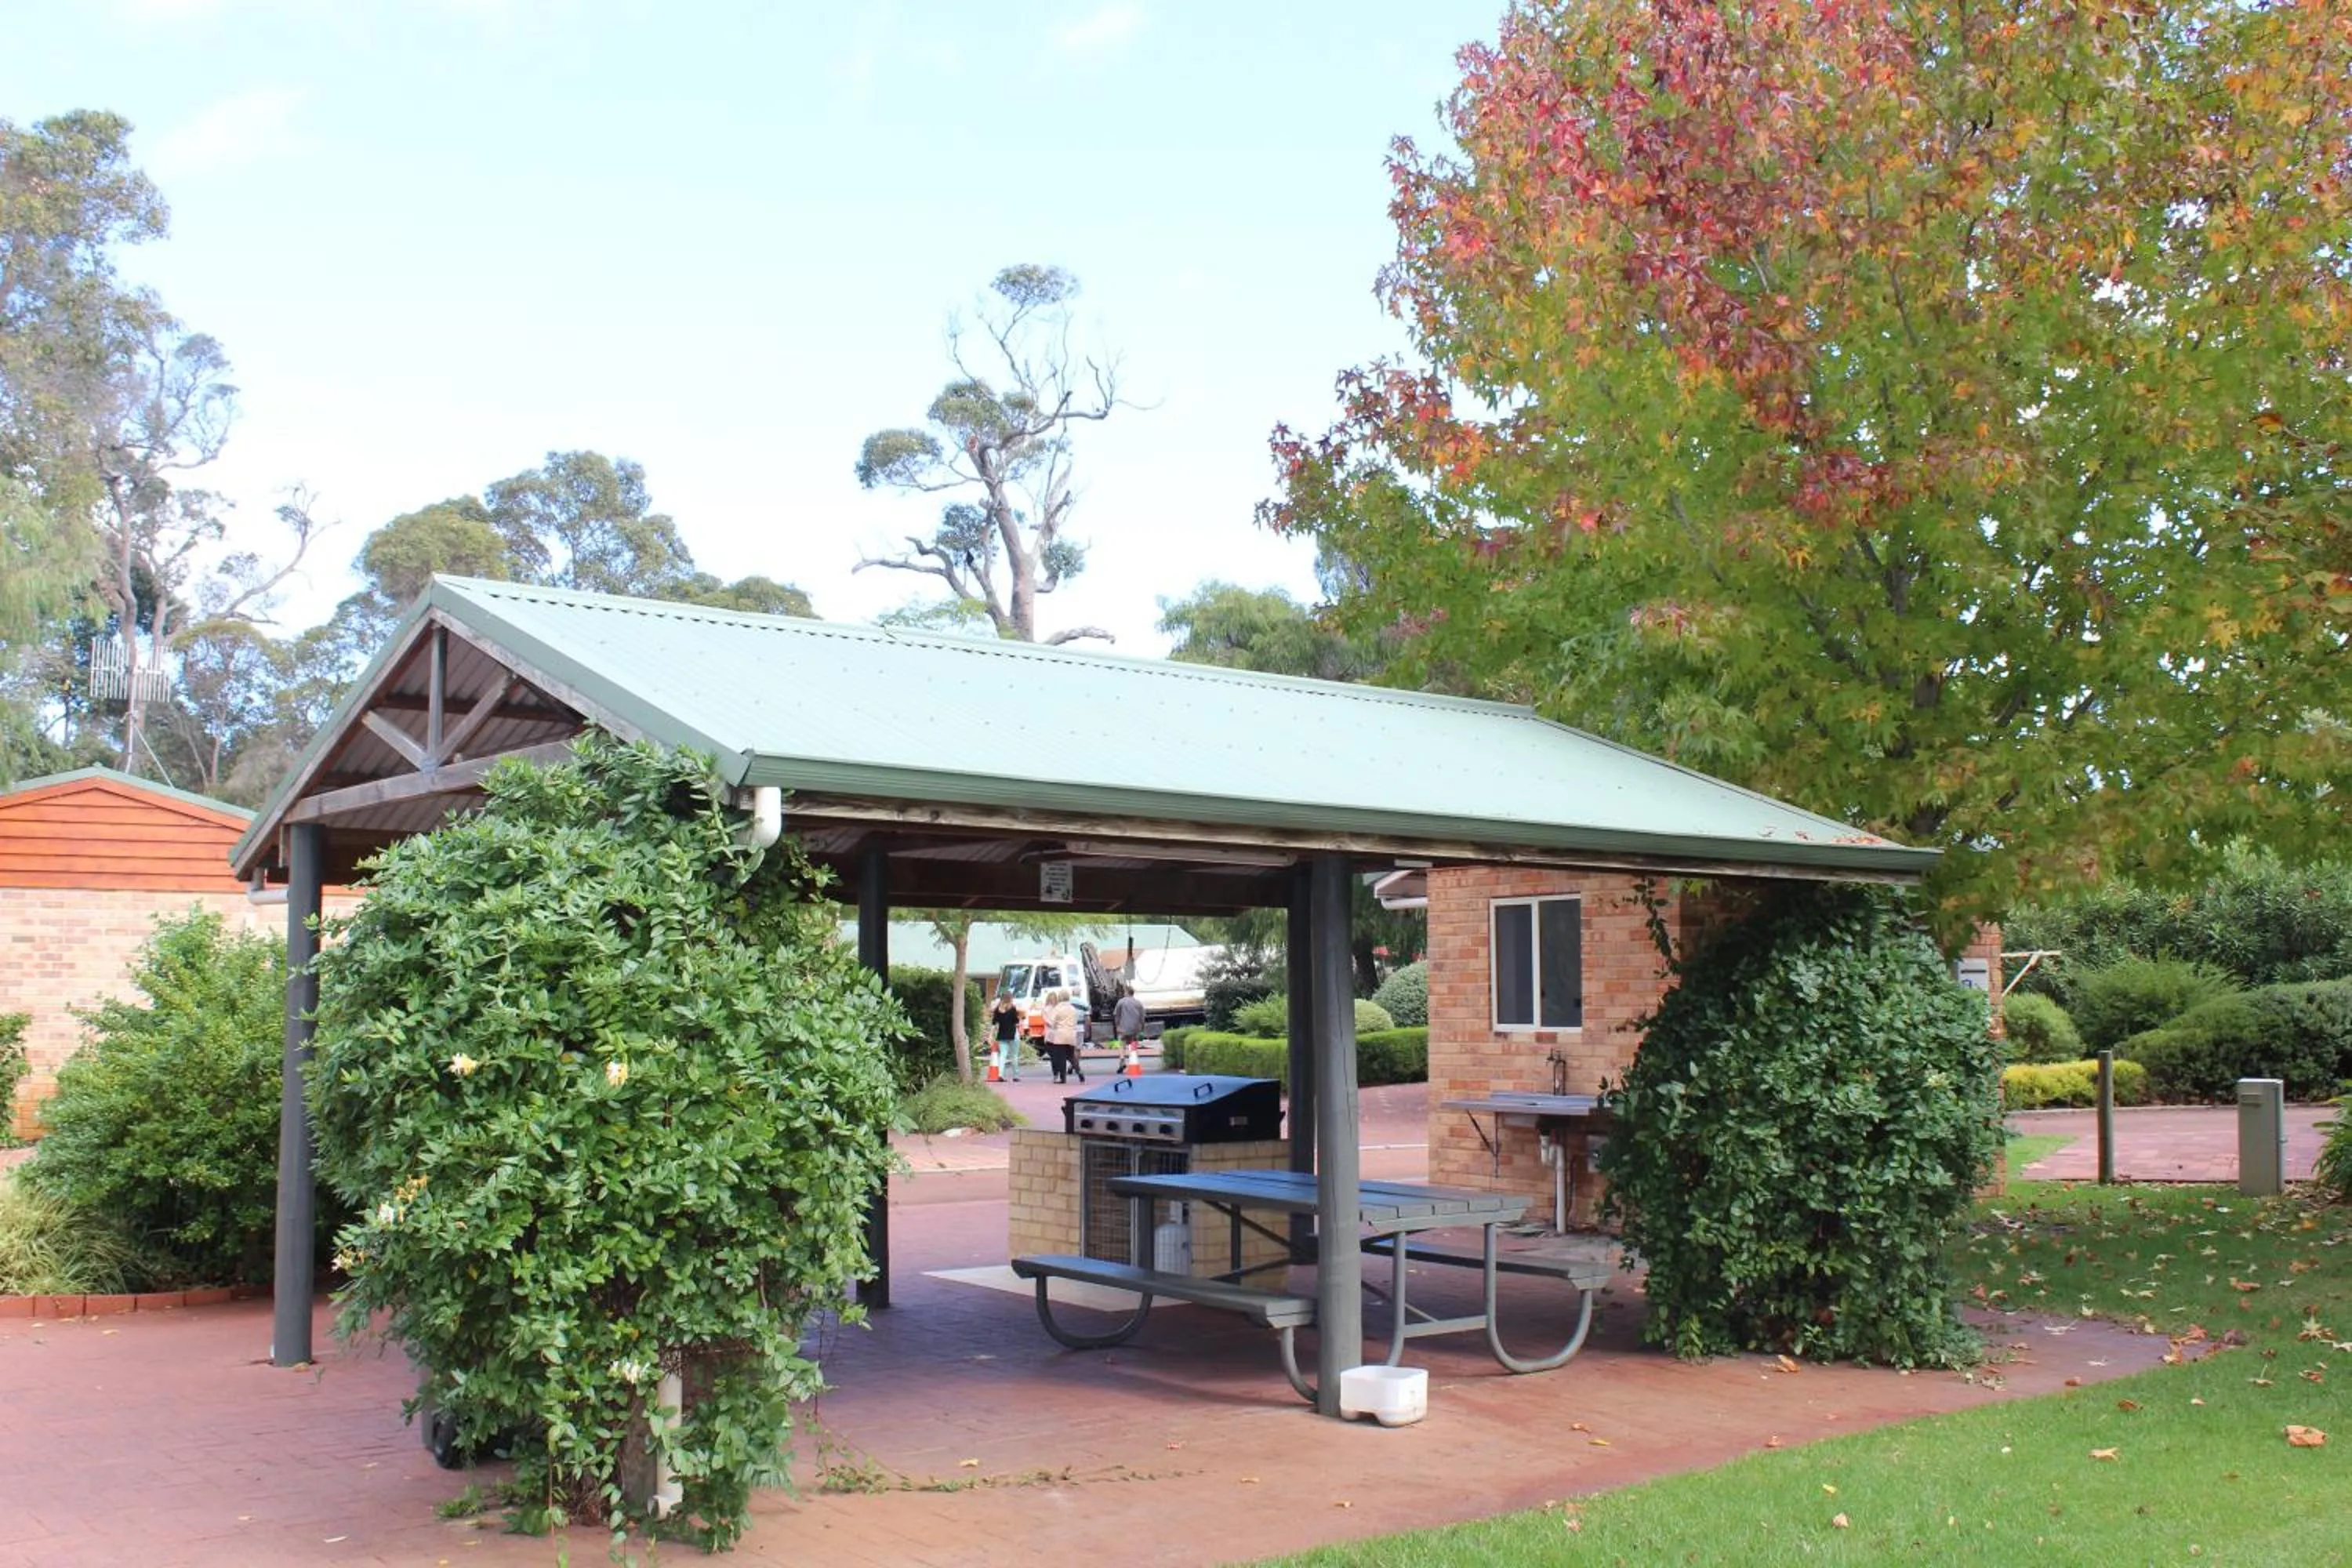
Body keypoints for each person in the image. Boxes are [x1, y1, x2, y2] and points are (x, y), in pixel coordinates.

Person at [1042, 989, 1085, 1084]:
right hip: (1071, 1034)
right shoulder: (1073, 1009)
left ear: (1060, 998)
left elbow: (1052, 1023)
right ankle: (1079, 1071)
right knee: (1071, 1056)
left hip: (1060, 1035)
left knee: (1060, 1058)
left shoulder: (1058, 1009)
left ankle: (1063, 1078)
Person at [989, 989, 1023, 1081]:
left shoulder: (997, 1010)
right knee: (1014, 1055)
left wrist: (990, 1035)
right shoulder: (1012, 1008)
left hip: (1002, 1034)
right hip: (1013, 1034)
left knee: (1003, 1055)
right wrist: (1020, 1020)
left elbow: (994, 1023)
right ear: (1011, 998)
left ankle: (1000, 1075)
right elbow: (1016, 1022)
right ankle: (1016, 1076)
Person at [1112, 989, 1147, 1059]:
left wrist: (1117, 1026)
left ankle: (1122, 1057)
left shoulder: (1121, 1002)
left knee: (1122, 1042)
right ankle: (1133, 1058)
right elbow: (1142, 1017)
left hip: (1123, 1028)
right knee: (1133, 1042)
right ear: (1133, 993)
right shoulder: (1138, 1003)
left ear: (1126, 992)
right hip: (1135, 1029)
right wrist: (1142, 1028)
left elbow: (1117, 1015)